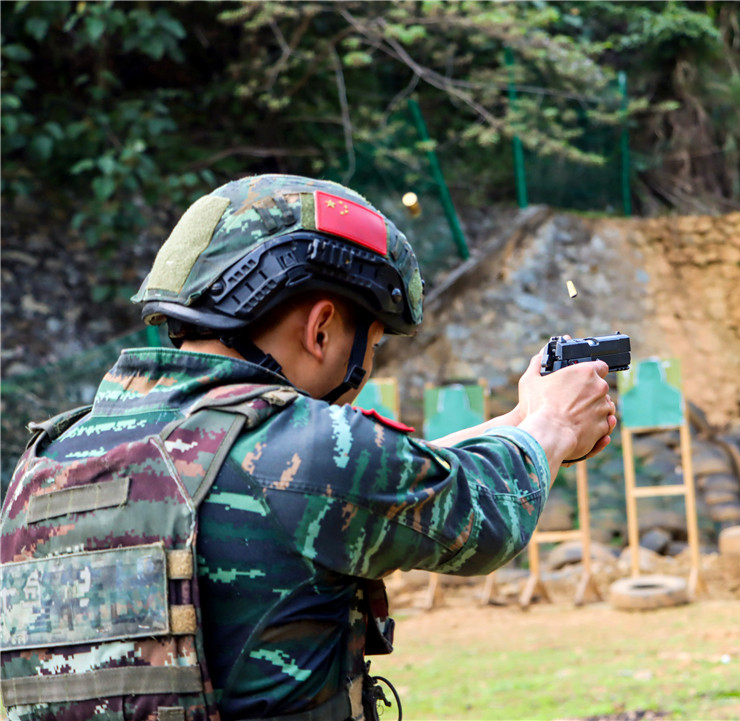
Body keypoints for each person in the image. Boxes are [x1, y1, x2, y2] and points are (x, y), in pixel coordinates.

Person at [0, 175, 617, 720]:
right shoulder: (307, 450)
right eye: (372, 345)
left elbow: (355, 481)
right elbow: (485, 519)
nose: (368, 366)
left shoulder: (48, 459)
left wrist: (519, 418)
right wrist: (553, 426)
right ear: (321, 329)